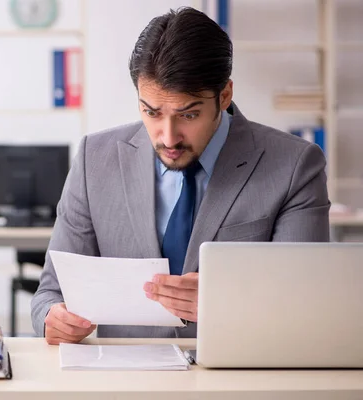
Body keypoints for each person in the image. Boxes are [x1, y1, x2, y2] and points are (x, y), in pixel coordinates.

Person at [31, 7, 330, 344]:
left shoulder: (294, 165)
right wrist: (52, 318)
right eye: (151, 112)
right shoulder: (95, 158)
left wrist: (229, 302)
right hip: (123, 380)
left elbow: (308, 303)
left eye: (188, 114)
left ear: (225, 96)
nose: (168, 136)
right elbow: (49, 294)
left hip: (240, 376)